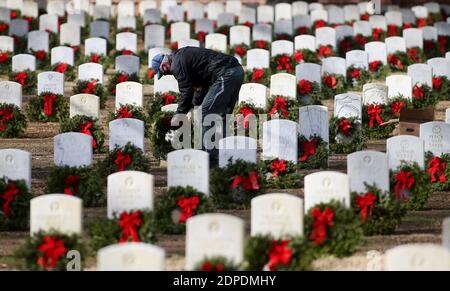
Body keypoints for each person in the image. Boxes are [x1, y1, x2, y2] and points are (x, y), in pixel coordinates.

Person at [151, 47, 245, 167]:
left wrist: (179, 114)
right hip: (236, 71)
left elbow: (186, 91)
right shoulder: (182, 57)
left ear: (163, 65)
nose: (167, 73)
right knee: (222, 116)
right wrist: (196, 104)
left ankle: (208, 158)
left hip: (226, 73)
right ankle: (224, 155)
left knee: (206, 113)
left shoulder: (176, 64)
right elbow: (201, 85)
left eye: (163, 73)